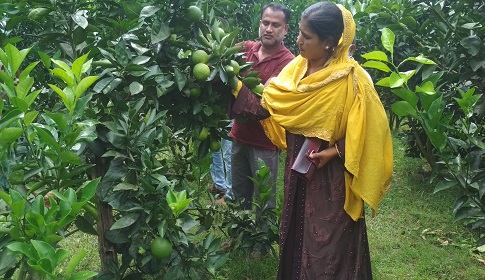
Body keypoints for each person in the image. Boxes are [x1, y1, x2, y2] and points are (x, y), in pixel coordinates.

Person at [231, 2, 393, 278]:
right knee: (297, 234)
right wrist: (230, 82)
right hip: (298, 174)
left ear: (329, 43)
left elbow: (370, 133)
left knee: (327, 246)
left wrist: (336, 151)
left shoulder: (352, 80)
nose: (298, 41)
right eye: (300, 33)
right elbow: (268, 106)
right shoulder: (295, 70)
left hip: (331, 183)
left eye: (306, 37)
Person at [229, 2, 294, 210]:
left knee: (263, 199)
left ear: (285, 29)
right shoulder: (246, 49)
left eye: (276, 25)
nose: (269, 28)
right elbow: (220, 60)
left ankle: (261, 241)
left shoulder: (288, 63)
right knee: (239, 195)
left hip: (265, 142)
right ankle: (237, 237)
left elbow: (262, 103)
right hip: (239, 135)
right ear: (259, 24)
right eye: (265, 23)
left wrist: (232, 82)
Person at [208, 122, 233, 205]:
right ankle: (220, 185)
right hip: (213, 114)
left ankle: (230, 195)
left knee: (229, 154)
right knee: (212, 146)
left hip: (230, 115)